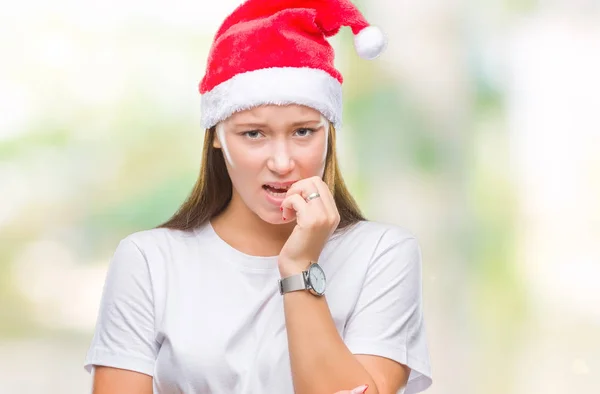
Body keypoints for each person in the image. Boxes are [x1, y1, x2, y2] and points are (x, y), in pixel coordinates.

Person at [83, 0, 433, 393]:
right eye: (254, 134)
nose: (282, 163)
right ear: (216, 135)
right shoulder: (149, 261)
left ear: (329, 131)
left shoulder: (382, 254)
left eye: (303, 132)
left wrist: (300, 267)